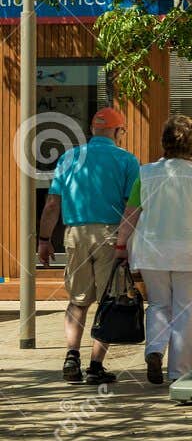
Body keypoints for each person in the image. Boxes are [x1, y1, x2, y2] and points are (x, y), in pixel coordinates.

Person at [38, 106, 141, 385]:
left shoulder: (69, 158)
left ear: (92, 131)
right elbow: (133, 206)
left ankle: (72, 357)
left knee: (77, 300)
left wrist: (44, 240)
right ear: (118, 131)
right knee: (109, 301)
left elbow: (52, 204)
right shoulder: (128, 161)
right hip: (111, 235)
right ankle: (96, 366)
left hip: (75, 234)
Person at [116, 115, 192, 385]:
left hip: (152, 251)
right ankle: (179, 372)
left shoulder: (146, 174)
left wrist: (121, 246)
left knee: (157, 304)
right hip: (190, 252)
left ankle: (154, 349)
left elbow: (130, 215)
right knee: (184, 309)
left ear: (164, 142)